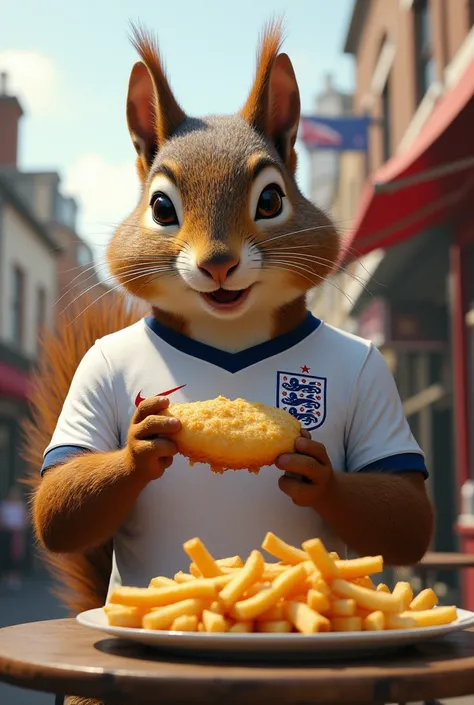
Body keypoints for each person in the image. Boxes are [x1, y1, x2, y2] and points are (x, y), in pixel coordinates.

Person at [0, 485, 28, 590]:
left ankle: (14, 578)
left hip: (17, 534)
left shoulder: (21, 506)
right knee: (5, 554)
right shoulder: (4, 505)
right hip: (6, 533)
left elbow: (26, 520)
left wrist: (20, 527)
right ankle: (6, 576)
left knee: (16, 555)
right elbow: (1, 520)